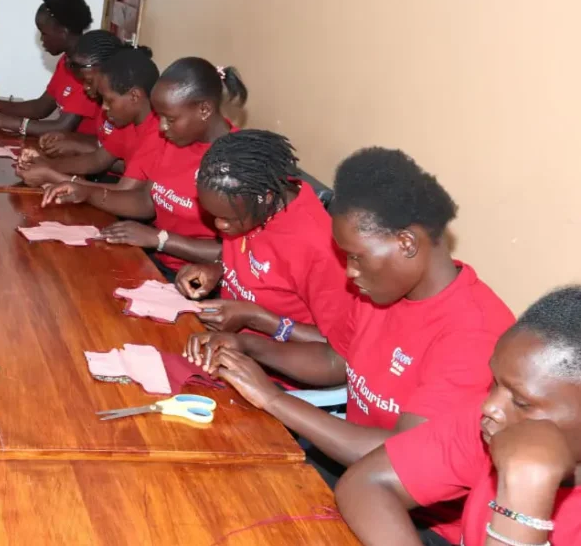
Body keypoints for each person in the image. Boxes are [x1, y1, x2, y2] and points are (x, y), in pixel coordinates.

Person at [188, 147, 514, 544]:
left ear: (406, 243)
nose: (349, 272)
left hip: (414, 521)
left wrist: (273, 398)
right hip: (347, 465)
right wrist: (246, 347)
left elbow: (398, 454)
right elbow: (335, 360)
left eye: (356, 257)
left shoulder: (474, 335)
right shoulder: (382, 290)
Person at [336, 286, 581, 546]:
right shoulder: (494, 424)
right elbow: (367, 482)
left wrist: (525, 491)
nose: (489, 406)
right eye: (495, 382)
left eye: (521, 402)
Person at [41, 56, 244, 278]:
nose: (162, 127)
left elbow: (235, 252)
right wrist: (86, 192)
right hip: (157, 260)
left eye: (170, 119)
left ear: (204, 110)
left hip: (196, 278)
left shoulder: (238, 162)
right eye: (160, 117)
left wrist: (160, 239)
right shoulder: (177, 139)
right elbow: (147, 201)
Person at [173, 130, 356, 341]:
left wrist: (255, 318)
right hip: (223, 341)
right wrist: (216, 268)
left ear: (266, 197)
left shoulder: (320, 247)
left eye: (228, 218)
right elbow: (251, 258)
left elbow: (337, 348)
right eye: (214, 215)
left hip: (271, 359)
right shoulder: (247, 205)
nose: (219, 225)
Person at [17, 40, 159, 186]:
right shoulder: (128, 122)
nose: (104, 107)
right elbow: (97, 160)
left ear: (134, 96)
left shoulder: (156, 134)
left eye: (109, 100)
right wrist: (45, 163)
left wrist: (51, 175)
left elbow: (125, 194)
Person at [0, 0, 99, 136]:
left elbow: (63, 127)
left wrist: (4, 121)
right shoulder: (66, 61)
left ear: (63, 32)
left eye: (44, 33)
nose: (42, 39)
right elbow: (40, 107)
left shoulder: (86, 71)